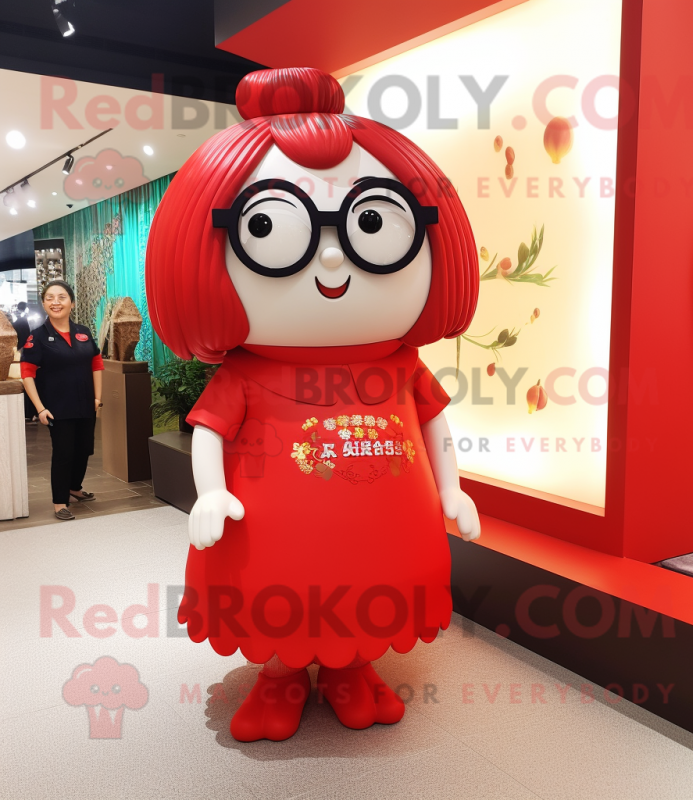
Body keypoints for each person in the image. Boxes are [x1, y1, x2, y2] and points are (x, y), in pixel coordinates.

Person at [146, 67, 481, 742]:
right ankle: (281, 676)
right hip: (269, 536)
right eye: (272, 228)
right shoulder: (247, 372)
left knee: (366, 598)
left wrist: (451, 487)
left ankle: (353, 668)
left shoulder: (400, 366)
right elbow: (209, 429)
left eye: (369, 224)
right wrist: (210, 492)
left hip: (385, 529)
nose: (331, 258)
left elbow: (432, 421)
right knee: (281, 604)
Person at [20, 280, 104, 521]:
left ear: (72, 303)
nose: (55, 302)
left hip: (86, 403)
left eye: (61, 297)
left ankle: (74, 488)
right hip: (57, 407)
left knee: (84, 449)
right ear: (44, 304)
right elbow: (27, 373)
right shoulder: (37, 337)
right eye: (50, 298)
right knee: (64, 453)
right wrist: (40, 408)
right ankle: (60, 502)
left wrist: (97, 398)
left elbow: (96, 364)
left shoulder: (83, 332)